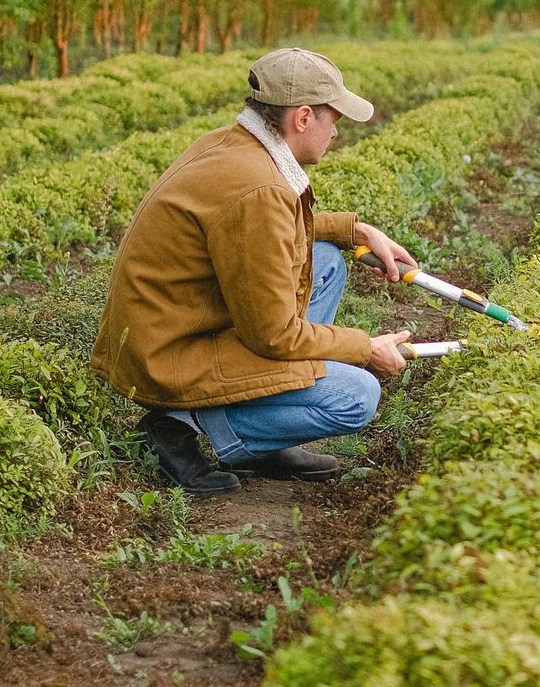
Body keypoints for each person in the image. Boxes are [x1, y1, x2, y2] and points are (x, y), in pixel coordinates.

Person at [92, 47, 415, 496]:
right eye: (334, 118)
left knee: (324, 260)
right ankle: (178, 425)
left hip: (173, 327)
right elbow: (275, 335)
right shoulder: (259, 187)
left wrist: (354, 230)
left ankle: (259, 435)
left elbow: (259, 231)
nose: (336, 131)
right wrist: (364, 348)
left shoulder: (232, 145)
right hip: (169, 357)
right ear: (303, 117)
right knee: (357, 396)